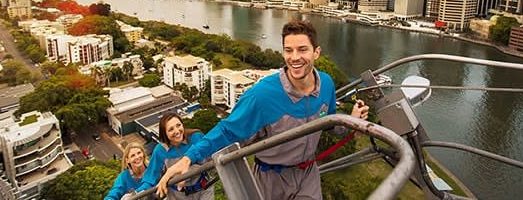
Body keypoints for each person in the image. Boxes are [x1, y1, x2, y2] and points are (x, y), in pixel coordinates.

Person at [158, 20, 369, 199]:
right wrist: (188, 158)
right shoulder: (261, 95)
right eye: (288, 50)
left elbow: (330, 122)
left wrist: (351, 121)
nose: (295, 57)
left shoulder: (327, 84)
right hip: (270, 180)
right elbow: (227, 131)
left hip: (308, 174)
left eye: (302, 49)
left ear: (316, 52)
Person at [137, 112, 214, 199]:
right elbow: (150, 177)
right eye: (171, 129)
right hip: (178, 196)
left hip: (204, 190)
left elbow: (213, 156)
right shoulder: (160, 151)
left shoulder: (196, 137)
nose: (177, 131)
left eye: (178, 125)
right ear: (164, 133)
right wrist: (138, 193)